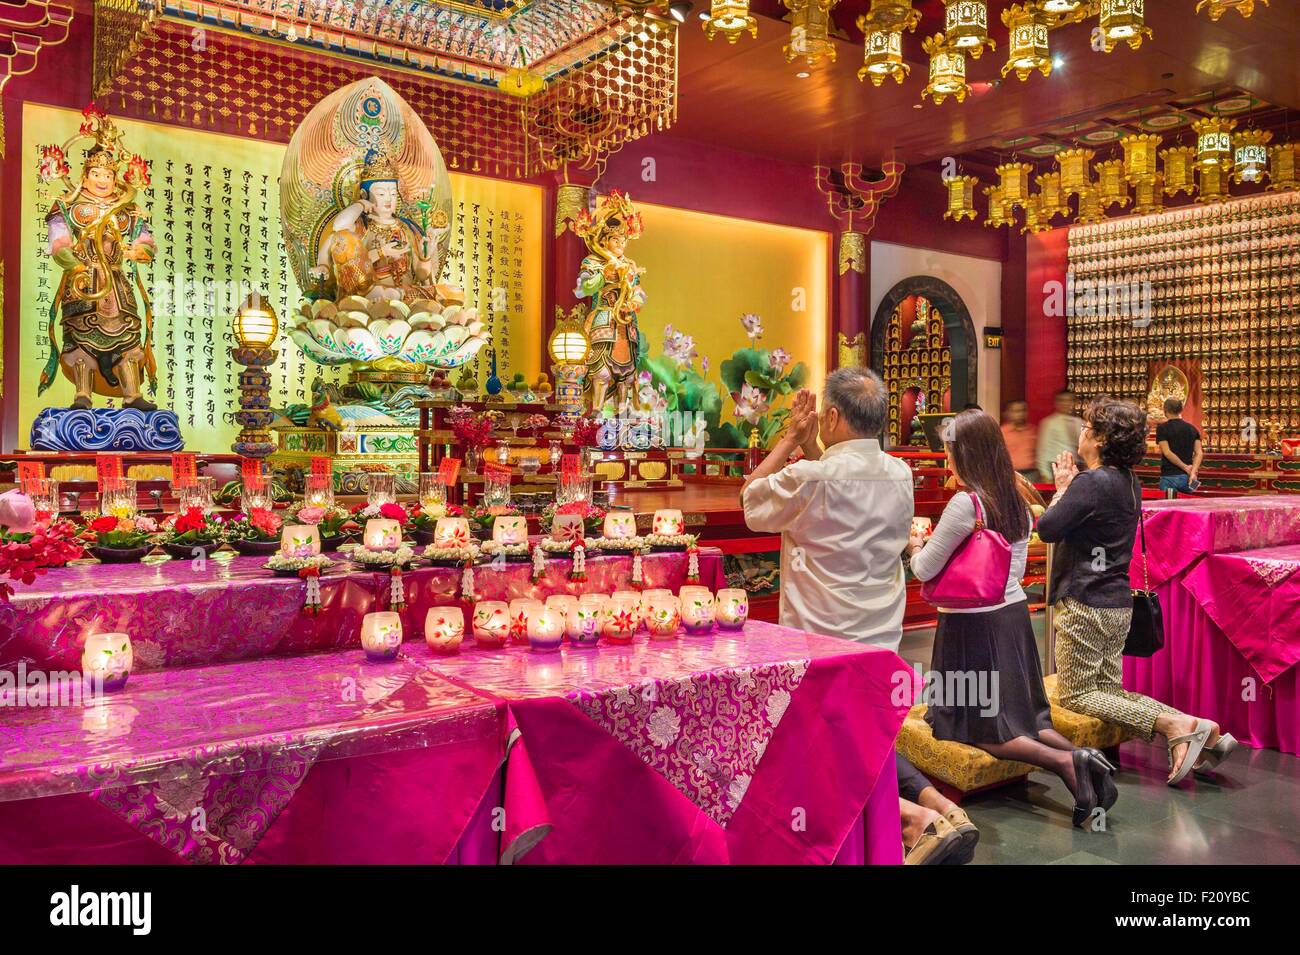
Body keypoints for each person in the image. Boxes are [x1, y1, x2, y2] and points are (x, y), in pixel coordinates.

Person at [907, 409, 1115, 828]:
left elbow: (926, 569)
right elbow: (1014, 569)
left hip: (973, 626)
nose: (946, 459)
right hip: (1013, 618)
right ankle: (1088, 762)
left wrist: (915, 545)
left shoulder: (966, 503)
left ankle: (1068, 763)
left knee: (981, 730)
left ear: (965, 454)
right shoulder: (1014, 496)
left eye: (949, 451)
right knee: (1024, 717)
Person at [1038, 397, 1237, 785]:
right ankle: (1198, 728)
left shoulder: (1091, 482)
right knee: (1107, 690)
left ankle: (1174, 724)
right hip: (1116, 603)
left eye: (1086, 427)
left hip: (1085, 602)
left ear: (1099, 440)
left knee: (1076, 694)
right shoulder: (1128, 481)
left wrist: (1062, 487)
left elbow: (1047, 528)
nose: (1080, 433)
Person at [741, 367, 913, 650]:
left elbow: (750, 498)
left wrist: (791, 439)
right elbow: (835, 490)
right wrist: (811, 445)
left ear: (832, 417)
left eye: (823, 414)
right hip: (882, 636)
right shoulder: (901, 474)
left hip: (818, 641)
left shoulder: (809, 478)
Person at [1155, 397, 1203, 494]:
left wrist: (1184, 467)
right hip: (1188, 477)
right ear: (1181, 409)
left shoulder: (1162, 428)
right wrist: (1193, 472)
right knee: (1187, 505)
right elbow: (1199, 453)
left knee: (1168, 507)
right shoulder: (1192, 429)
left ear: (1165, 410)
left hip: (1169, 477)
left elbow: (1167, 452)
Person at [1036, 389, 1083, 483]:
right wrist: (1045, 474)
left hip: (1076, 468)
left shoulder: (1080, 423)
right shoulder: (1049, 423)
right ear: (1056, 402)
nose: (1066, 403)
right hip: (1057, 468)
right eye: (1062, 400)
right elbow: (1042, 451)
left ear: (1074, 402)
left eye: (1069, 400)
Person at [1001, 399, 1039, 483]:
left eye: (1023, 410)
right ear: (1009, 413)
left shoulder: (1033, 430)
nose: (1020, 414)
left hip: (1031, 475)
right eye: (1016, 411)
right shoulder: (1003, 432)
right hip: (1011, 474)